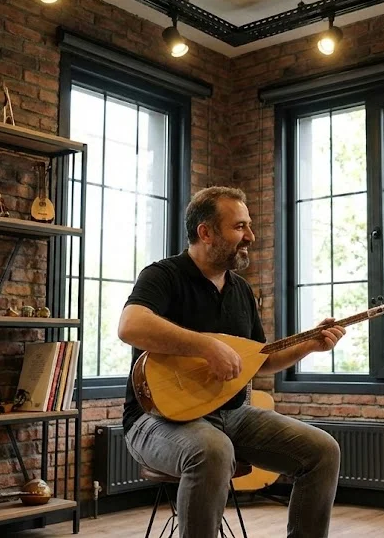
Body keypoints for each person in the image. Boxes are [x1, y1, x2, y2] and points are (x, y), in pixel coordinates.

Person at [118, 186, 345, 538]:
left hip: (232, 415)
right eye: (239, 227)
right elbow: (130, 325)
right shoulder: (163, 275)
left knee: (322, 451)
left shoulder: (239, 289)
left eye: (249, 226)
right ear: (205, 232)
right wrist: (206, 346)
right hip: (155, 419)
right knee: (213, 449)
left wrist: (309, 345)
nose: (251, 236)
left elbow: (260, 361)